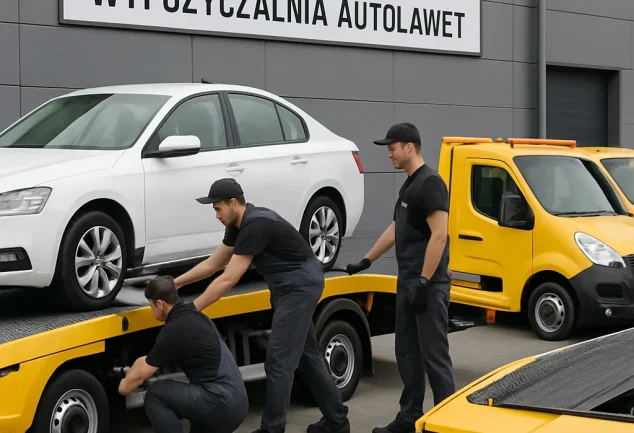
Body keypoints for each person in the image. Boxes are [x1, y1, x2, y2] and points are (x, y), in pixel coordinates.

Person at [173, 177, 350, 433]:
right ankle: (337, 421)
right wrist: (176, 283)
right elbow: (214, 264)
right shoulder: (238, 225)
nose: (216, 215)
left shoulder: (255, 225)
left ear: (233, 203)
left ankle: (272, 428)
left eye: (218, 208)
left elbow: (229, 278)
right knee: (307, 355)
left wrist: (192, 309)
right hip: (288, 288)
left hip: (298, 288)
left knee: (278, 362)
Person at [345, 122, 456, 433]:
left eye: (392, 148)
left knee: (434, 357)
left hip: (428, 286)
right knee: (406, 354)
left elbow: (439, 235)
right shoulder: (409, 185)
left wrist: (424, 281)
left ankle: (447, 423)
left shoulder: (431, 183)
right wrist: (367, 259)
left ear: (409, 147)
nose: (389, 154)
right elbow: (397, 227)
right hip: (408, 283)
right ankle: (409, 418)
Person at [117, 275, 249, 433]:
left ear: (160, 304)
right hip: (236, 402)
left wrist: (124, 386)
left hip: (220, 402)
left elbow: (139, 376)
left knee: (156, 394)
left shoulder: (174, 330)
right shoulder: (196, 316)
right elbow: (148, 360)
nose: (152, 310)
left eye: (151, 306)